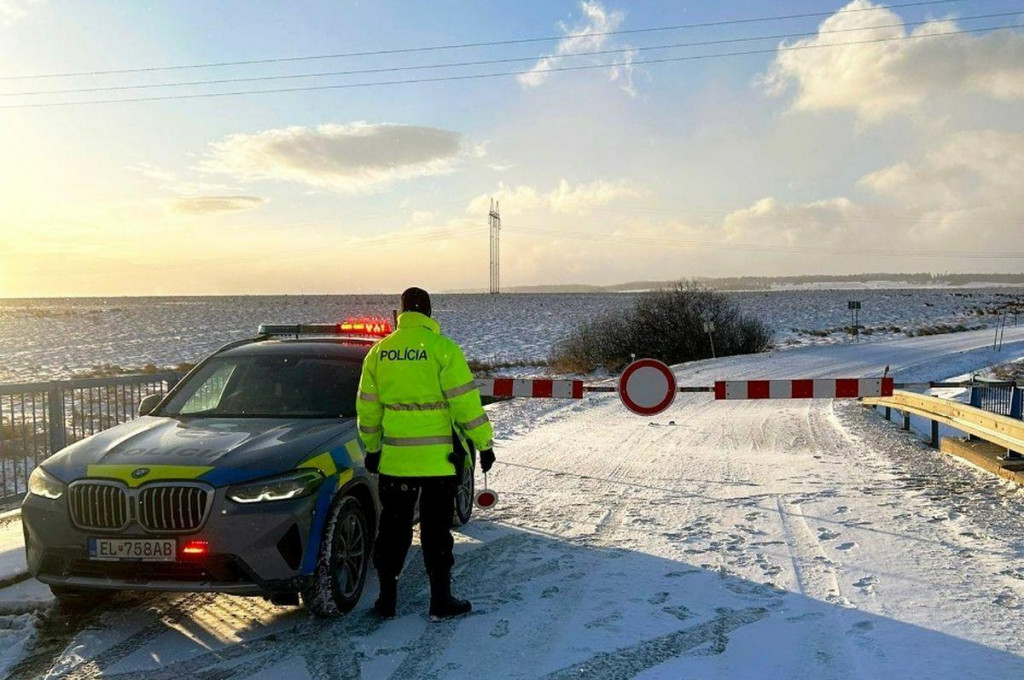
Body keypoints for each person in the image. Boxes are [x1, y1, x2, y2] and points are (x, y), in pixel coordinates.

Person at [356, 287, 496, 621]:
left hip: (396, 462)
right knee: (436, 533)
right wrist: (484, 444)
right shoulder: (443, 349)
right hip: (439, 463)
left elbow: (367, 409)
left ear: (401, 312)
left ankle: (386, 600)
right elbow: (465, 404)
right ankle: (440, 601)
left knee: (393, 530)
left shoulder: (379, 353)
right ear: (429, 313)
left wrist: (373, 449)